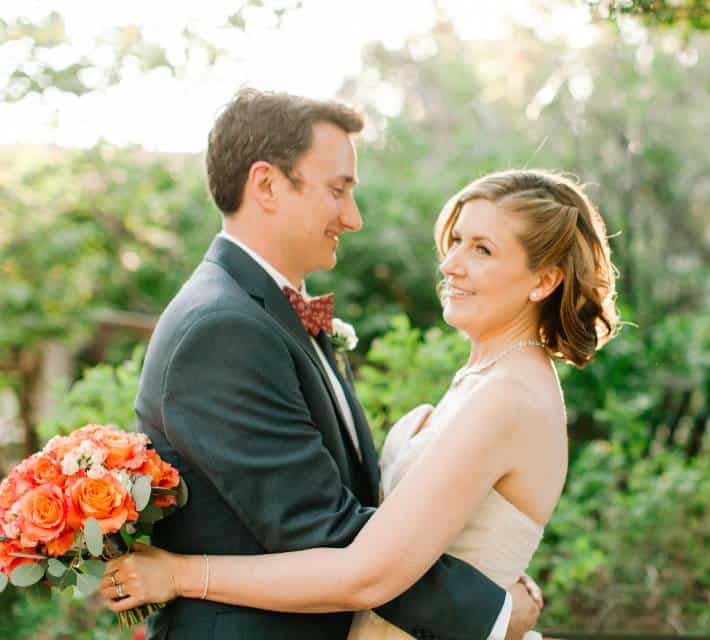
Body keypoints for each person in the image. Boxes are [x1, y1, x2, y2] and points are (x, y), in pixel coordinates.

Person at [101, 167, 619, 640]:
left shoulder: (508, 395)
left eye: (483, 250)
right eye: (457, 240)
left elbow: (364, 574)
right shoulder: (487, 379)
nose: (451, 263)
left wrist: (181, 573)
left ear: (544, 280)